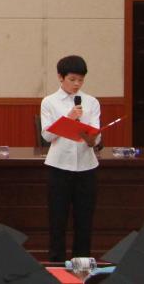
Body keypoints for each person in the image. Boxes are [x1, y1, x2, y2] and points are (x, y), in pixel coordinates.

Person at [40, 54, 100, 262]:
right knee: (57, 219)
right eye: (72, 79)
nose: (76, 84)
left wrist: (91, 137)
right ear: (60, 77)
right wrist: (69, 118)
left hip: (86, 167)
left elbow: (96, 137)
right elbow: (47, 136)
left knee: (84, 220)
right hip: (59, 167)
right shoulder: (49, 102)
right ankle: (57, 264)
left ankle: (82, 264)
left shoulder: (91, 102)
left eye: (80, 80)